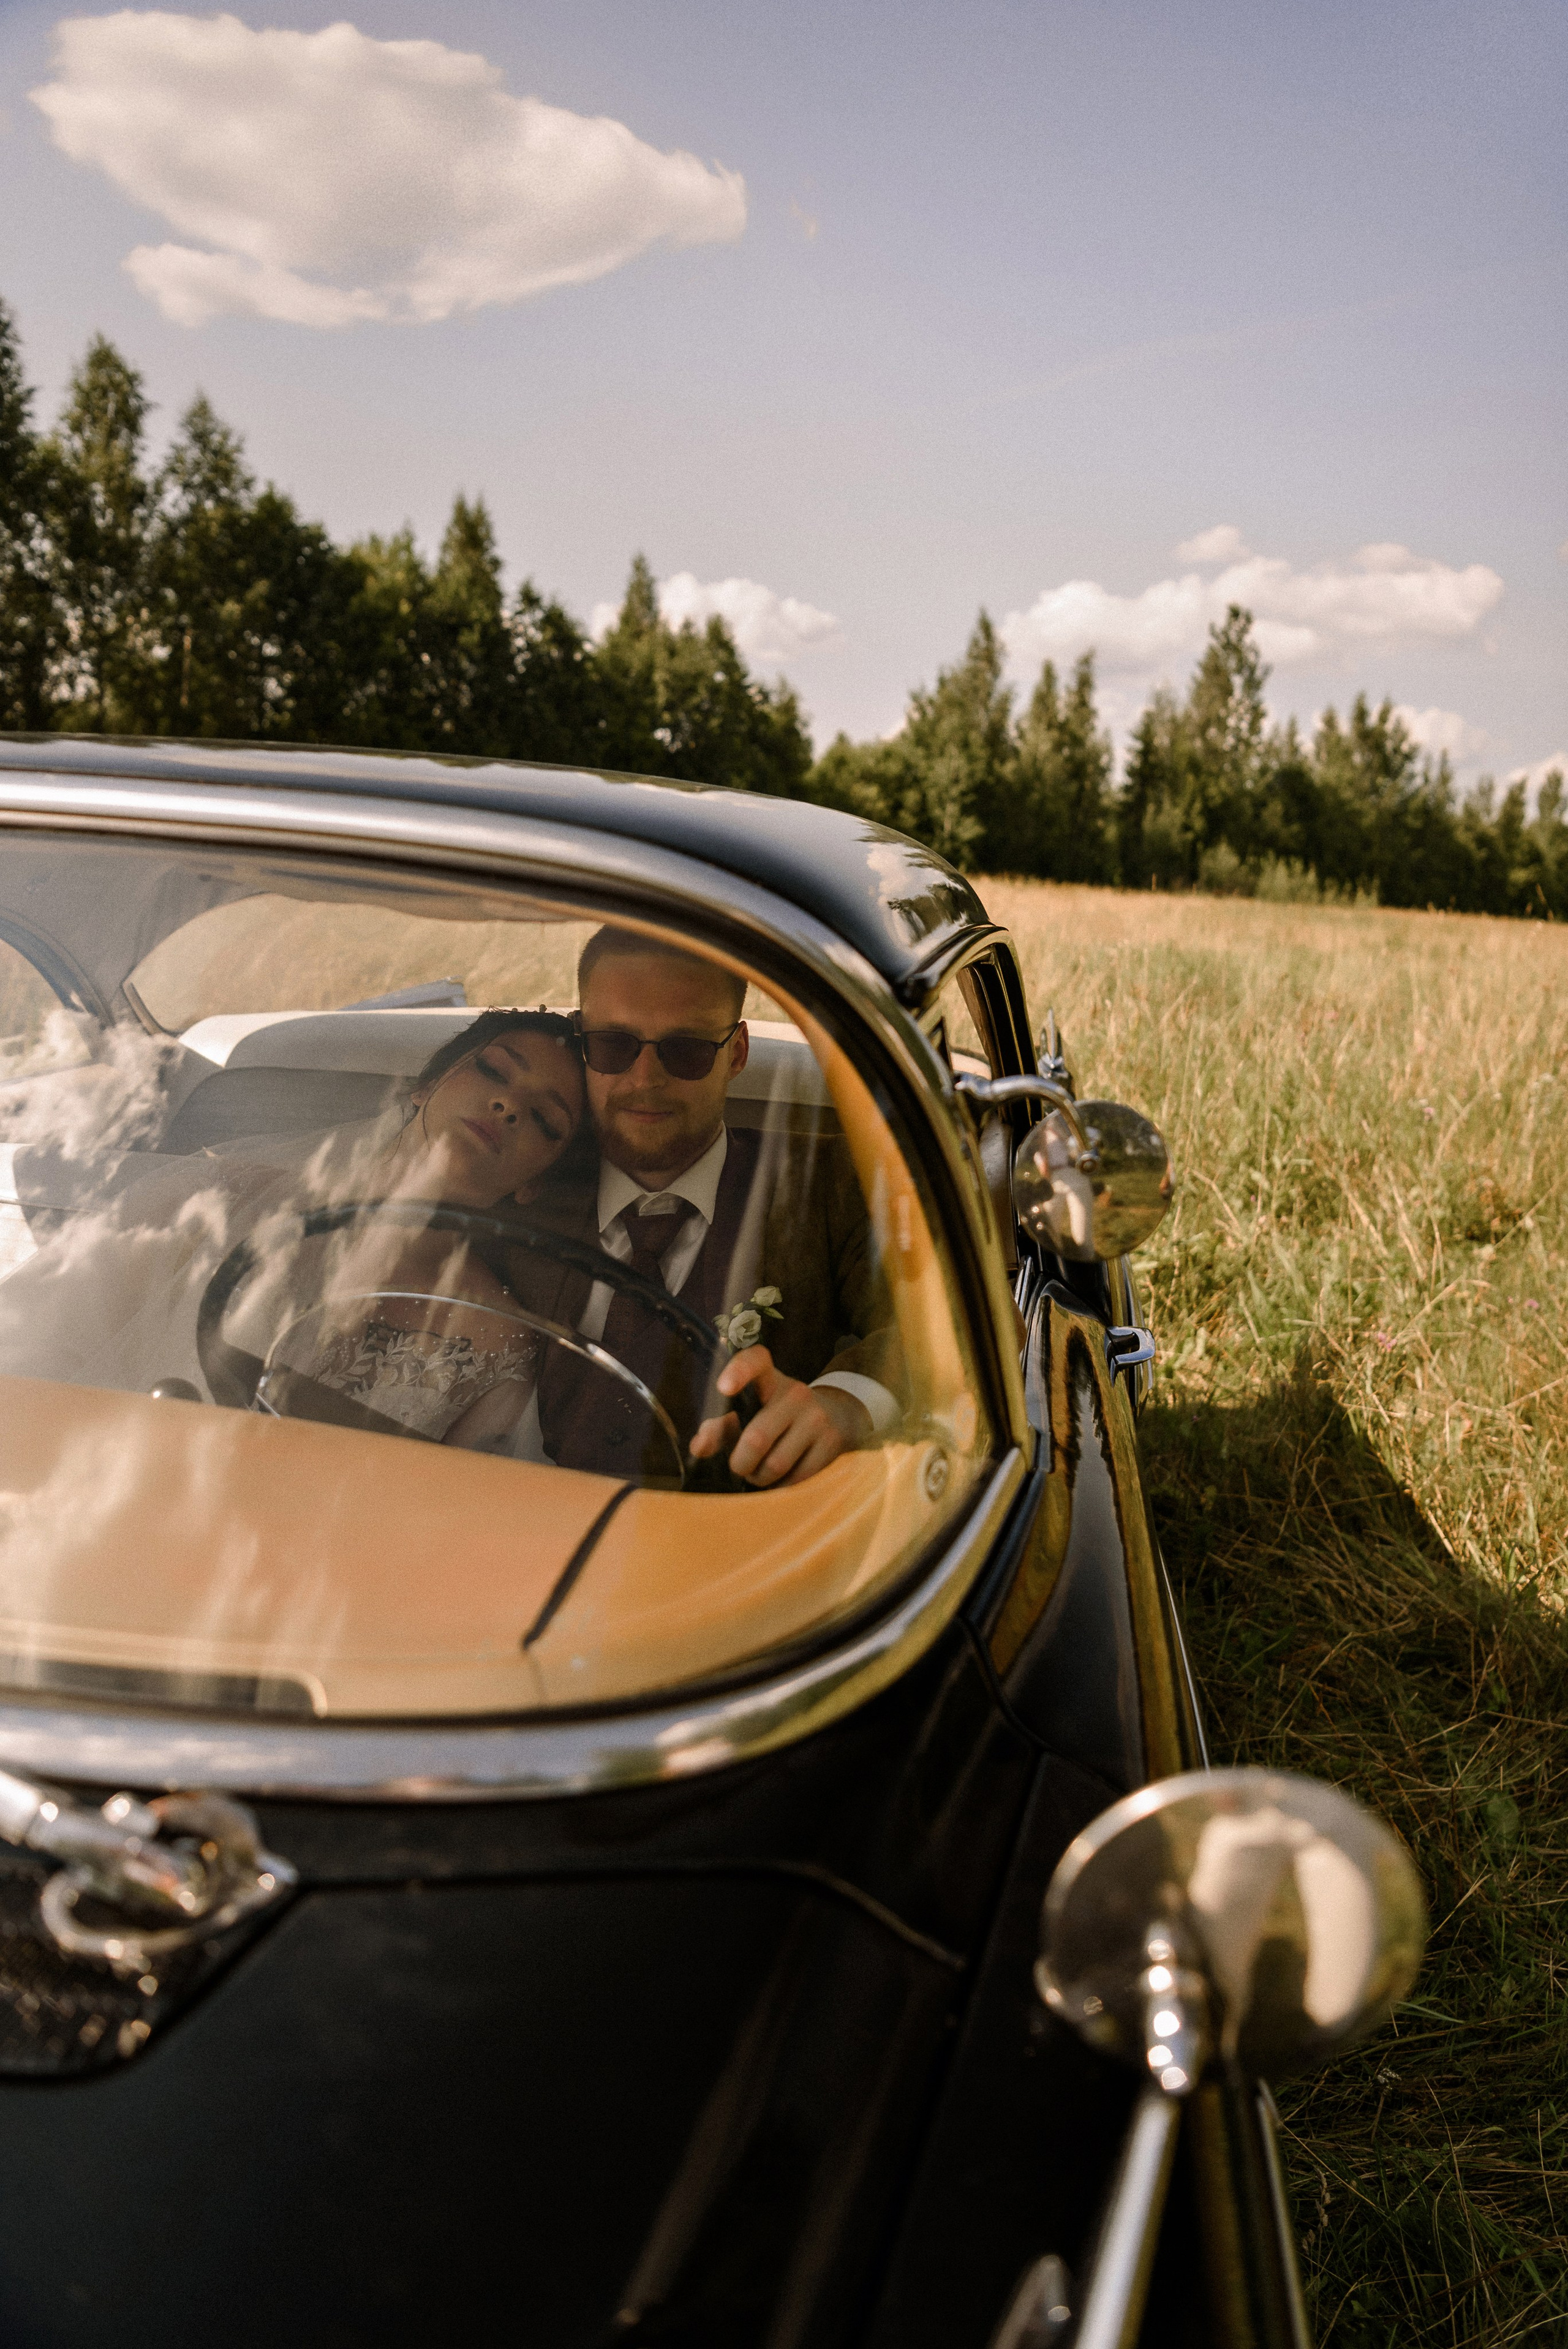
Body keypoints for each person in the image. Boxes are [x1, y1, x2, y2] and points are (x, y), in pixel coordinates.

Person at [0, 1008, 590, 1452]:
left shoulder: (497, 1342)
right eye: (493, 1070)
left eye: (544, 1118)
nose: (509, 1105)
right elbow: (38, 1341)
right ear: (425, 1085)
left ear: (532, 1184)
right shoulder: (213, 1201)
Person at [524, 929, 902, 1487]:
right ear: (582, 1043)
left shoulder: (826, 1182)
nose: (644, 1079)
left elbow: (961, 1321)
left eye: (687, 1049)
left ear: (737, 1053)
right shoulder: (527, 1177)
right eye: (613, 1043)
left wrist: (847, 1402)